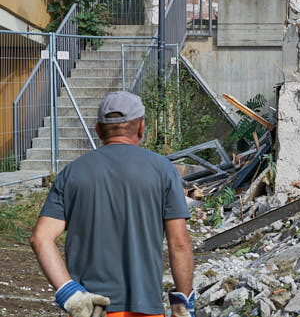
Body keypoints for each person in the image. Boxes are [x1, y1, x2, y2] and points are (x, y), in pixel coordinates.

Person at [29, 90, 195, 317]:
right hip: (145, 309)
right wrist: (183, 300)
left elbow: (41, 238)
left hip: (92, 310)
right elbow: (179, 243)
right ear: (141, 127)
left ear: (98, 130)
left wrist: (69, 293)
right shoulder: (163, 170)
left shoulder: (73, 173)